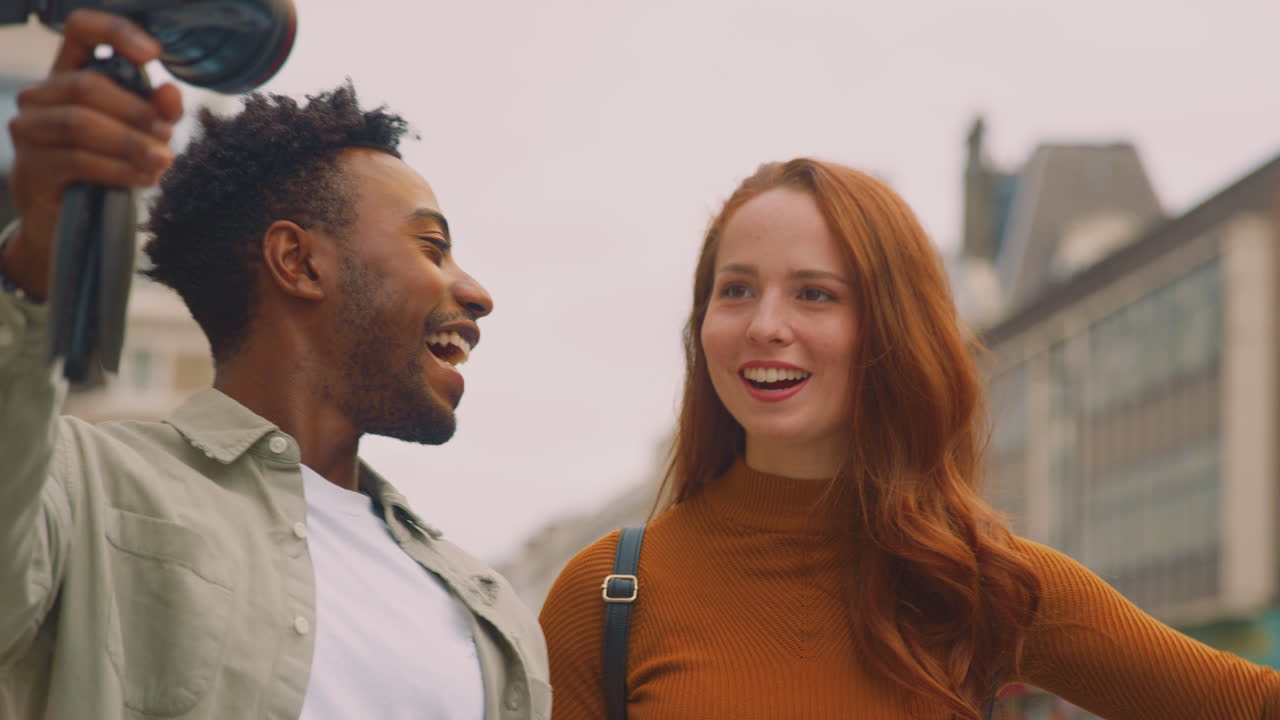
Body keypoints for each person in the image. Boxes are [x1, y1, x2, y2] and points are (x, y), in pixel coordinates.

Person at [538, 158, 1280, 719]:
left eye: (814, 293)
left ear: (890, 331)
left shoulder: (984, 583)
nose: (765, 324)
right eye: (735, 289)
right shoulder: (603, 596)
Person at [0, 11, 548, 720]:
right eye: (431, 247)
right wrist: (35, 258)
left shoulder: (488, 608)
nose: (477, 293)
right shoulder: (81, 488)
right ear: (299, 262)